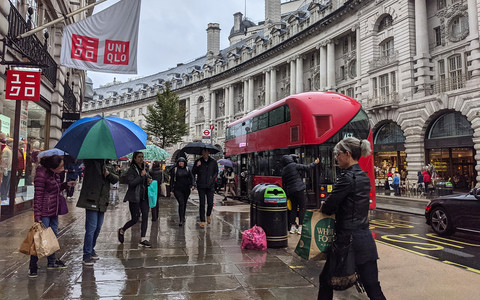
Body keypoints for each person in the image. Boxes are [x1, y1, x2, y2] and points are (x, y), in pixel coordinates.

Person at [318, 137, 386, 300]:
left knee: (325, 281)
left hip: (346, 241)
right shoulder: (363, 176)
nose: (336, 158)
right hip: (365, 239)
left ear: (347, 154)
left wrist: (326, 204)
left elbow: (328, 207)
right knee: (372, 285)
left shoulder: (346, 178)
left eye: (337, 154)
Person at [29, 155, 76, 278]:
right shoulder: (41, 175)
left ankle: (52, 261)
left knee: (53, 237)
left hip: (53, 210)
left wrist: (66, 185)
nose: (62, 168)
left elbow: (55, 189)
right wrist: (37, 216)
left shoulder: (54, 174)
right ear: (53, 167)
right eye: (60, 166)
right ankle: (32, 266)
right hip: (44, 211)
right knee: (40, 238)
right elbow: (38, 196)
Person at [76, 159, 119, 266]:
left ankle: (91, 249)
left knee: (98, 228)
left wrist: (108, 175)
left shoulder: (108, 165)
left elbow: (116, 179)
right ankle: (86, 254)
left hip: (102, 201)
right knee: (91, 228)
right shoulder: (91, 163)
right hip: (92, 199)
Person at [118, 152, 153, 247]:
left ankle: (143, 239)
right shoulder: (131, 170)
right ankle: (122, 230)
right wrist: (140, 176)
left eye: (142, 157)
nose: (141, 159)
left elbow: (146, 180)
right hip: (134, 197)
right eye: (139, 157)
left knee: (145, 216)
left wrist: (149, 180)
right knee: (135, 219)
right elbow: (131, 183)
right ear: (135, 159)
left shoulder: (145, 168)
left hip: (144, 196)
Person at [281, 154, 319, 235]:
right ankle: (301, 227)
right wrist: (315, 163)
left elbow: (284, 183)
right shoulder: (293, 165)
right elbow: (306, 167)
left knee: (293, 208)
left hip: (290, 191)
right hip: (299, 189)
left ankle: (293, 227)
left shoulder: (284, 170)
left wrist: (286, 194)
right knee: (302, 207)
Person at [192, 148, 218, 227]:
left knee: (210, 203)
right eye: (203, 152)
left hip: (210, 186)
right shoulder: (198, 161)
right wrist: (197, 166)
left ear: (209, 153)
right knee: (202, 203)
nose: (204, 154)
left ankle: (208, 215)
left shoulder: (213, 162)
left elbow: (216, 172)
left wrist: (212, 180)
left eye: (206, 152)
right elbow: (193, 172)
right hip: (201, 185)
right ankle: (202, 220)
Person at [170, 157, 195, 226]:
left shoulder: (187, 169)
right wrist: (171, 189)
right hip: (177, 189)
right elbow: (171, 180)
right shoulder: (175, 170)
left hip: (186, 189)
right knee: (181, 203)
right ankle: (181, 219)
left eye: (182, 162)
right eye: (179, 162)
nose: (181, 163)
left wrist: (193, 185)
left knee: (184, 203)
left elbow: (191, 177)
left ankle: (183, 216)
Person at [0, 138, 13, 202]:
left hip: (10, 169)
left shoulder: (10, 150)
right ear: (9, 143)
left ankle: (5, 196)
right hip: (7, 169)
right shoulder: (6, 150)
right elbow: (4, 159)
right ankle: (3, 197)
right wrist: (4, 169)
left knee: (7, 184)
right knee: (5, 183)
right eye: (12, 142)